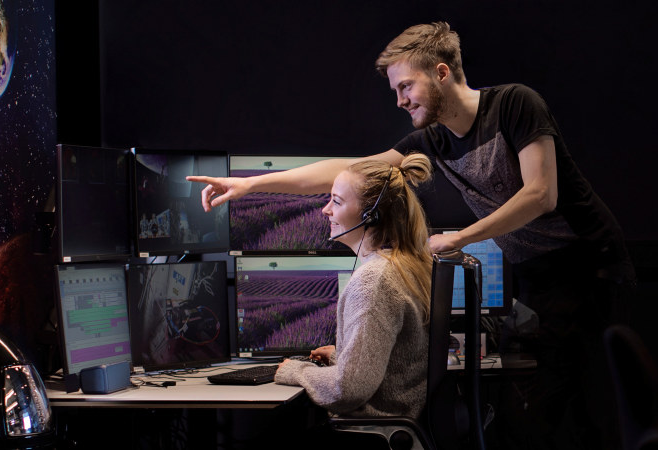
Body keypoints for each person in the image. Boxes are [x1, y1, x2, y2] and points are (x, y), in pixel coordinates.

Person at [187, 22, 635, 450]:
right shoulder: (434, 140)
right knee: (533, 416)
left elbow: (542, 194)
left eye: (406, 87)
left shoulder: (515, 106)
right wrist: (250, 185)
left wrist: (458, 239)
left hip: (590, 266)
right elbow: (351, 171)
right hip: (537, 275)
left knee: (583, 408)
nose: (400, 101)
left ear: (441, 73)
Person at [274, 154, 434, 419]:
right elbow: (397, 365)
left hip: (369, 433)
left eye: (336, 201)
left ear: (370, 216)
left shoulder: (375, 280)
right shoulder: (407, 265)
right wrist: (343, 359)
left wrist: (294, 371)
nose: (326, 210)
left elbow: (348, 390)